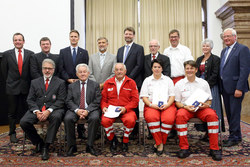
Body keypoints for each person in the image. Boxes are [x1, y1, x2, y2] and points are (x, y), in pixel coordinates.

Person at [175, 60, 222, 161]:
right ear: (184, 70)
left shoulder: (203, 83)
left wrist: (206, 105)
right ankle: (184, 148)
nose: (189, 70)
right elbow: (177, 102)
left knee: (212, 116)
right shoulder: (179, 84)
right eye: (187, 68)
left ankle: (214, 148)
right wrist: (184, 106)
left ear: (196, 70)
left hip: (201, 109)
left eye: (191, 68)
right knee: (179, 116)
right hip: (186, 108)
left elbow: (209, 100)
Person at [20, 59, 66, 160]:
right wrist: (36, 111)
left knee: (57, 117)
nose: (47, 71)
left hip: (54, 109)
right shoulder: (34, 82)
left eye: (49, 68)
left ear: (53, 70)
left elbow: (61, 100)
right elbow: (30, 99)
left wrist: (49, 110)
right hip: (37, 109)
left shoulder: (60, 82)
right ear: (42, 69)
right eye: (45, 68)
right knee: (24, 122)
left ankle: (47, 146)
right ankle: (38, 142)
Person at [1, 33, 34, 143]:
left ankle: (28, 133)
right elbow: (4, 72)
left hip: (26, 87)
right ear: (13, 42)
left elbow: (31, 72)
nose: (18, 42)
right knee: (12, 112)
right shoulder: (6, 54)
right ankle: (12, 133)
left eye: (20, 40)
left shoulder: (30, 54)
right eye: (16, 40)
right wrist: (11, 81)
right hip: (12, 87)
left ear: (23, 41)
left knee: (27, 112)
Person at [220, 28, 250, 147]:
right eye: (224, 37)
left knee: (235, 113)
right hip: (225, 88)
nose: (226, 38)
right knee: (229, 113)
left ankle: (234, 137)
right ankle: (235, 135)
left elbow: (245, 70)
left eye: (228, 36)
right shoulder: (224, 51)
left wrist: (239, 88)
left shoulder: (242, 49)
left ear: (235, 37)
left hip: (236, 88)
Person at [140, 59, 176, 156]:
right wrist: (152, 105)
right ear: (151, 68)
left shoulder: (168, 80)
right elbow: (144, 97)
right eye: (155, 67)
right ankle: (160, 143)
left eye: (159, 67)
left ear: (162, 68)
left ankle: (158, 143)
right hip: (151, 105)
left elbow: (172, 95)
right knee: (152, 118)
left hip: (167, 105)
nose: (157, 69)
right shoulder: (147, 80)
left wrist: (167, 105)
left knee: (168, 119)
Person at [64, 64, 101, 156]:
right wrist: (77, 110)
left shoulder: (95, 85)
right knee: (67, 118)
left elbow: (97, 101)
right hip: (75, 109)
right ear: (77, 74)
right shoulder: (71, 86)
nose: (83, 74)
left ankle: (90, 145)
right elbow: (68, 100)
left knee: (95, 118)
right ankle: (72, 146)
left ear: (88, 73)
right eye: (80, 72)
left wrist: (87, 110)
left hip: (91, 109)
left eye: (84, 72)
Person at [101, 63, 139, 152]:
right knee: (105, 121)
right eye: (117, 70)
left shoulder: (131, 82)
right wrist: (104, 107)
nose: (119, 72)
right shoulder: (108, 82)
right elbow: (103, 99)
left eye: (121, 69)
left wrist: (125, 108)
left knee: (131, 120)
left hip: (126, 109)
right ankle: (112, 139)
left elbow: (135, 100)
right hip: (111, 109)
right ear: (114, 71)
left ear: (125, 71)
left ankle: (125, 140)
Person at [59, 29, 89, 139]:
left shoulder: (84, 52)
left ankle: (81, 131)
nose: (73, 38)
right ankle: (69, 133)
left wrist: (79, 79)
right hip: (68, 84)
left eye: (75, 36)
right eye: (71, 36)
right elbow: (61, 68)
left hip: (81, 84)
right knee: (69, 108)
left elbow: (85, 68)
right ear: (69, 38)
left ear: (78, 38)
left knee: (81, 104)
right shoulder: (63, 51)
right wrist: (69, 79)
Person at [117, 27, 144, 139]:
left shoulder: (139, 48)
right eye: (126, 34)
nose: (128, 35)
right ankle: (125, 127)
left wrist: (128, 77)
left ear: (133, 36)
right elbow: (119, 66)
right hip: (121, 82)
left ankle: (135, 131)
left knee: (134, 105)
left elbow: (139, 65)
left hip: (133, 81)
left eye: (130, 34)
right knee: (123, 103)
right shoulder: (120, 50)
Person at [196, 39, 225, 140]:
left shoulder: (216, 59)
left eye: (207, 46)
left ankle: (214, 133)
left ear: (211, 48)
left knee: (212, 108)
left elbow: (215, 74)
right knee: (202, 109)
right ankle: (206, 132)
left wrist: (206, 86)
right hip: (200, 87)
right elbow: (196, 73)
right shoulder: (199, 59)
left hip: (211, 87)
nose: (205, 48)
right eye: (203, 46)